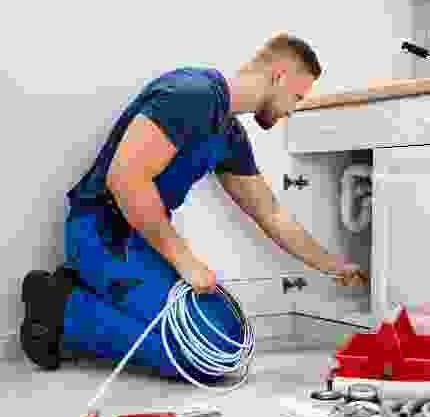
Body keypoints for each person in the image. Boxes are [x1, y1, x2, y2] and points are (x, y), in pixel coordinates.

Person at [19, 32, 369, 379]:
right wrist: (185, 261)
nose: (292, 109)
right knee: (205, 354)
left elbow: (270, 212)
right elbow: (125, 178)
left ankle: (88, 295)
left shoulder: (228, 134)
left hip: (142, 244)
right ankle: (62, 307)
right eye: (296, 97)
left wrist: (331, 265)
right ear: (278, 75)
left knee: (227, 338)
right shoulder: (189, 94)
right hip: (102, 235)